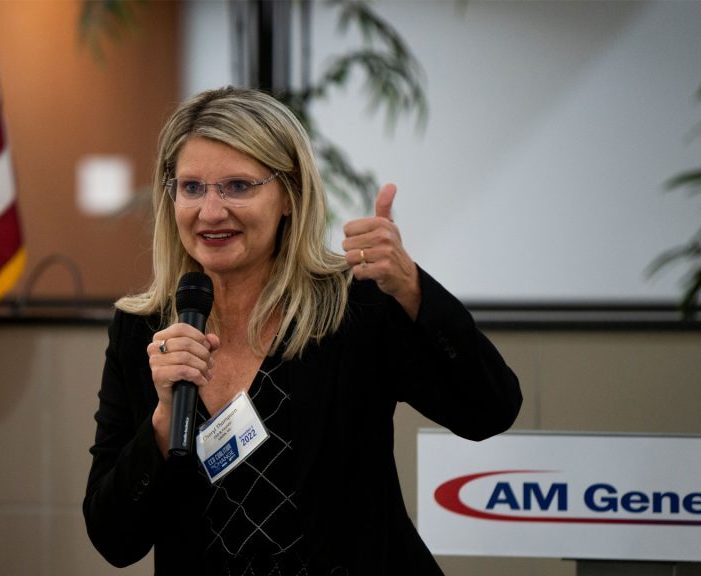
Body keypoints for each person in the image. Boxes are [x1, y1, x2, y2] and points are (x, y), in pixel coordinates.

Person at [83, 86, 522, 575]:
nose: (210, 212)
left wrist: (412, 288)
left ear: (289, 195)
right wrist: (164, 422)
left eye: (238, 186)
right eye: (192, 187)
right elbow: (113, 539)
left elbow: (490, 410)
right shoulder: (143, 329)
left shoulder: (354, 306)